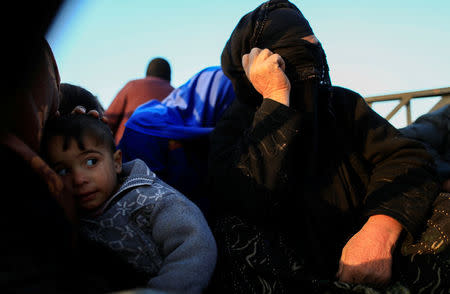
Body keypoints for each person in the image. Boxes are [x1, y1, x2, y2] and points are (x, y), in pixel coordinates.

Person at [206, 0, 440, 292]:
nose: (312, 59)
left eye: (314, 47)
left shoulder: (339, 105)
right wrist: (276, 98)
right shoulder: (235, 126)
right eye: (298, 50)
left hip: (376, 254)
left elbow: (408, 157)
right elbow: (248, 197)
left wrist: (379, 229)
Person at [41, 112, 218, 294]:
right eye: (63, 171)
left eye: (91, 161)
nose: (79, 179)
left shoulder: (153, 199)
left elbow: (195, 247)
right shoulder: (65, 219)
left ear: (117, 162)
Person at [118, 66, 235, 215]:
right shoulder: (145, 126)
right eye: (229, 104)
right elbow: (146, 199)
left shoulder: (210, 137)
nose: (230, 113)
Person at [105, 57, 174, 144]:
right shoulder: (175, 94)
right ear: (169, 76)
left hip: (128, 148)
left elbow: (109, 120)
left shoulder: (133, 85)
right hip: (165, 151)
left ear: (147, 73)